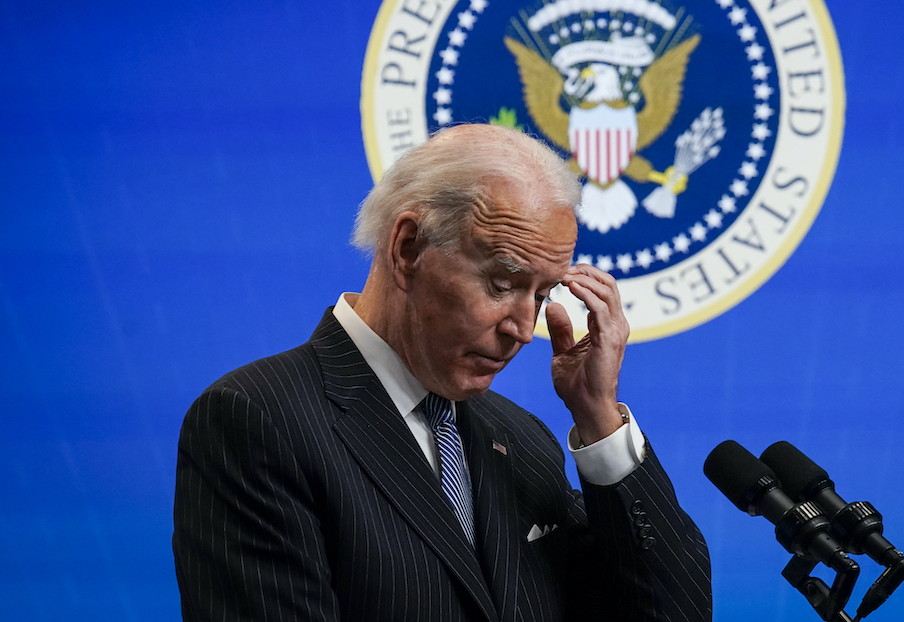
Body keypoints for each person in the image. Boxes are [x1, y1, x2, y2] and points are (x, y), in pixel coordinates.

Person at [173, 124, 712, 622]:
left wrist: (598, 420)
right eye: (502, 284)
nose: (524, 330)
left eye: (543, 295)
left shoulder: (521, 439)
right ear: (408, 248)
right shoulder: (258, 419)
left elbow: (671, 613)